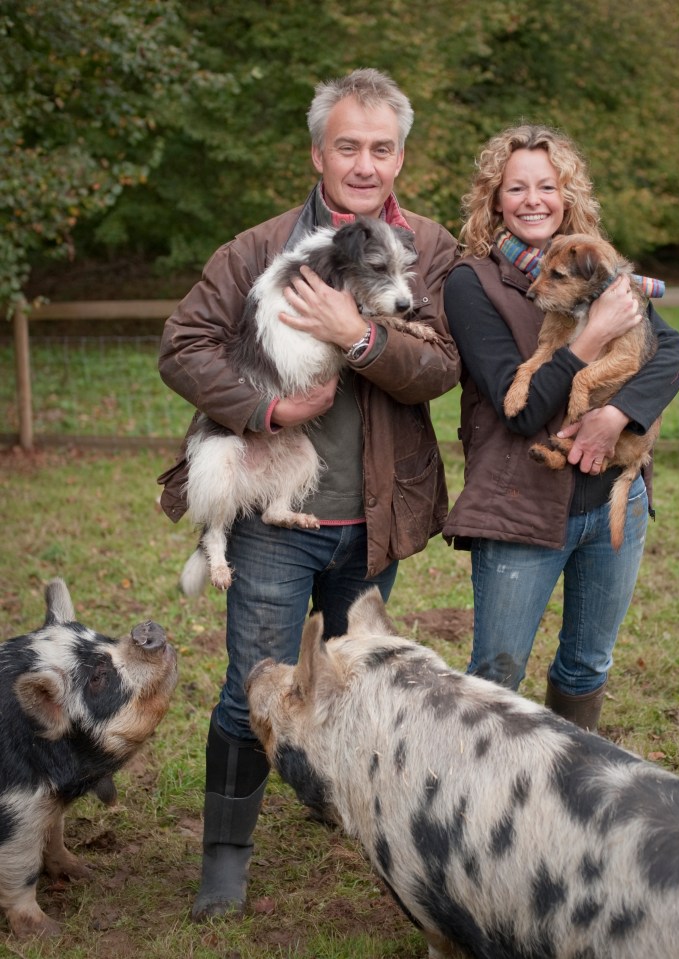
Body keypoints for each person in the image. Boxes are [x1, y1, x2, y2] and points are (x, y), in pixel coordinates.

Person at [157, 69, 460, 919]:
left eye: (382, 147)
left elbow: (441, 363)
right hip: (270, 512)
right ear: (318, 152)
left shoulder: (428, 246)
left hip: (377, 509)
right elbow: (183, 344)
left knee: (346, 675)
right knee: (248, 681)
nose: (365, 164)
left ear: (400, 155)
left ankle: (337, 800)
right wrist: (266, 405)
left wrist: (358, 337)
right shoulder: (257, 247)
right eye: (348, 145)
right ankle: (224, 851)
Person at [442, 124, 679, 731]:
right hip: (518, 507)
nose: (533, 200)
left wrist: (615, 416)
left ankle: (567, 797)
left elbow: (673, 354)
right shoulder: (472, 284)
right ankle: (475, 805)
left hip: (612, 495)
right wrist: (593, 337)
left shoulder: (598, 267)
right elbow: (520, 410)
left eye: (547, 186)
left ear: (566, 193)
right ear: (494, 198)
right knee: (496, 675)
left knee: (586, 666)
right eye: (516, 187)